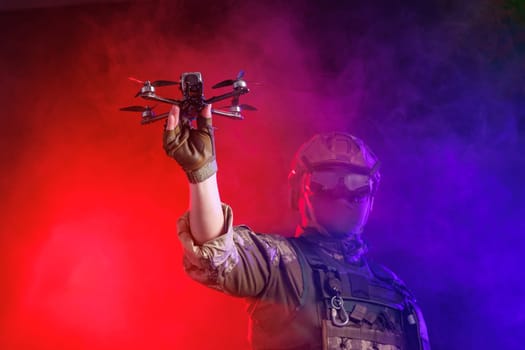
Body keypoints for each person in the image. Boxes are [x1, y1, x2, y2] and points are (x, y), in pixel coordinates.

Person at [163, 104, 431, 350]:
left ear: (371, 200)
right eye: (326, 183)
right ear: (297, 192)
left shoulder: (396, 291)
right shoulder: (281, 264)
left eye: (357, 187)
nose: (342, 195)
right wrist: (203, 173)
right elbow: (214, 248)